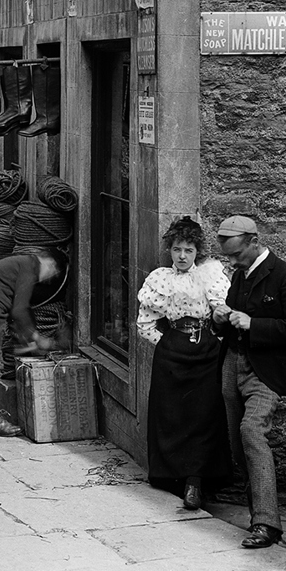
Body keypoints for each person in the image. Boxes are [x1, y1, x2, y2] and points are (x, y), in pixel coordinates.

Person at [136, 216, 231, 511]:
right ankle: (172, 477)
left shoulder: (210, 275)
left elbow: (224, 313)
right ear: (170, 250)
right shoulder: (161, 278)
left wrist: (213, 340)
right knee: (172, 414)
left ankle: (197, 480)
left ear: (197, 251)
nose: (181, 256)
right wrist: (167, 345)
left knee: (204, 415)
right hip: (172, 351)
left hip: (206, 352)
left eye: (188, 250)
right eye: (177, 249)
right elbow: (145, 322)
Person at [213, 215, 286, 549]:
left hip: (265, 371)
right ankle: (256, 513)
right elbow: (230, 320)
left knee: (251, 431)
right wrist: (220, 318)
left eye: (236, 256)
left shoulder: (282, 274)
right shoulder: (240, 275)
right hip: (232, 364)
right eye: (227, 257)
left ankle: (267, 524)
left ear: (254, 241)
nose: (231, 263)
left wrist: (254, 324)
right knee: (236, 440)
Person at [0, 248, 67, 436]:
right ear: (50, 264)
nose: (47, 279)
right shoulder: (30, 268)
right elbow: (20, 310)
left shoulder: (24, 263)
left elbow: (19, 308)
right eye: (51, 274)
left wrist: (25, 337)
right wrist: (37, 338)